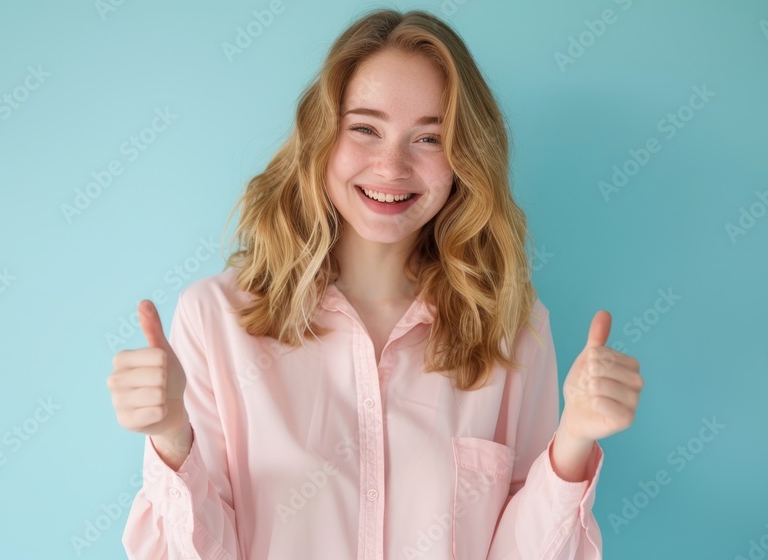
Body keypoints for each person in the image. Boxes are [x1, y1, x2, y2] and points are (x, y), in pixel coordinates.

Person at [107, 8, 644, 559]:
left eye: (430, 139)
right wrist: (173, 435)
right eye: (365, 128)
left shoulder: (512, 325)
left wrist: (574, 438)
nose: (392, 166)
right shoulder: (215, 318)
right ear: (322, 136)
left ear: (464, 160)